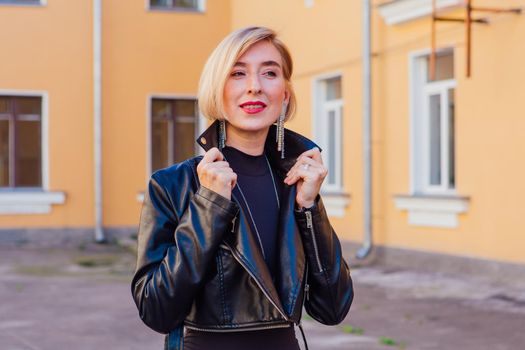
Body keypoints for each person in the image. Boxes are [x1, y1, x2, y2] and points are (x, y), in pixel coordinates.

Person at [131, 26, 354, 350]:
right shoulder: (173, 185)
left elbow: (333, 308)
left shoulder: (295, 184)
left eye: (269, 73)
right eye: (238, 73)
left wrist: (308, 208)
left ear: (286, 93)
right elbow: (156, 310)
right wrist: (208, 205)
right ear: (216, 89)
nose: (254, 87)